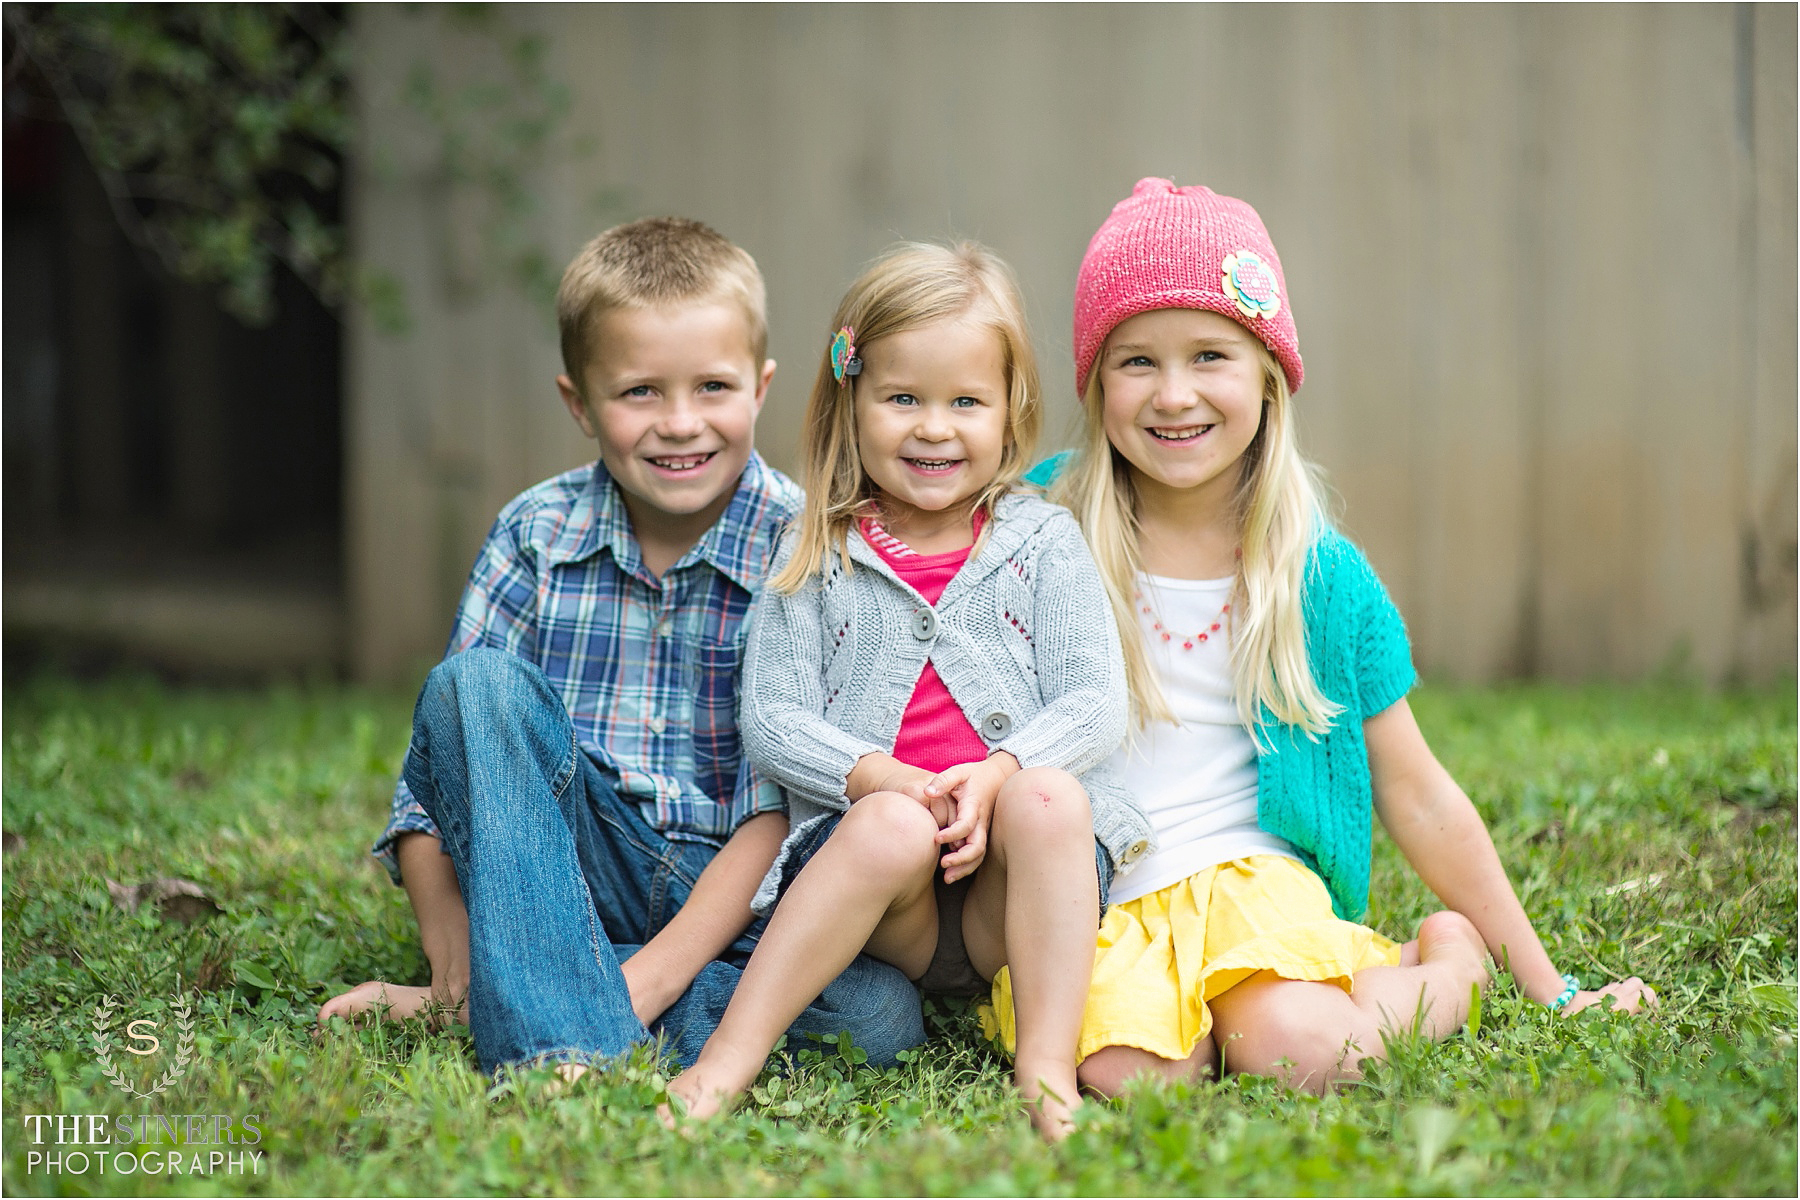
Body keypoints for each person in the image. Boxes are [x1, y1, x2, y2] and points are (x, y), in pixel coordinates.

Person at [986, 178, 1654, 1097]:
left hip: (1256, 881)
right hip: (1103, 894)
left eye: (1210, 354)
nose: (1174, 395)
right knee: (1132, 1076)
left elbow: (1420, 797)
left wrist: (1551, 988)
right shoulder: (1041, 525)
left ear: (1269, 369)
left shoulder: (1323, 578)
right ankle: (1197, 1027)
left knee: (1303, 1050)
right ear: (1094, 379)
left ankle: (1448, 963)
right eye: (1136, 361)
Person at [316, 216, 924, 1079]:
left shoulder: (805, 546)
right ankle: (539, 1033)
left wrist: (646, 979)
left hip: (734, 894)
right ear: (578, 403)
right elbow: (433, 797)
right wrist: (453, 970)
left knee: (878, 1018)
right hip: (564, 861)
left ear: (761, 386)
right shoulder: (536, 533)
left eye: (713, 387)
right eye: (640, 392)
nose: (680, 423)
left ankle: (552, 990)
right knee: (473, 687)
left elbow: (780, 815)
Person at [663, 242, 1152, 1139]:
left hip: (1015, 896)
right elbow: (771, 719)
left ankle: (1045, 1071)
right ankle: (725, 1060)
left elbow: (1094, 702)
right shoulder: (816, 549)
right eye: (903, 399)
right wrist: (883, 779)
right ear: (850, 401)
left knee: (1051, 794)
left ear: (1013, 413)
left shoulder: (1043, 543)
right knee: (886, 823)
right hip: (891, 904)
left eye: (967, 402)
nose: (934, 428)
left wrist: (1000, 769)